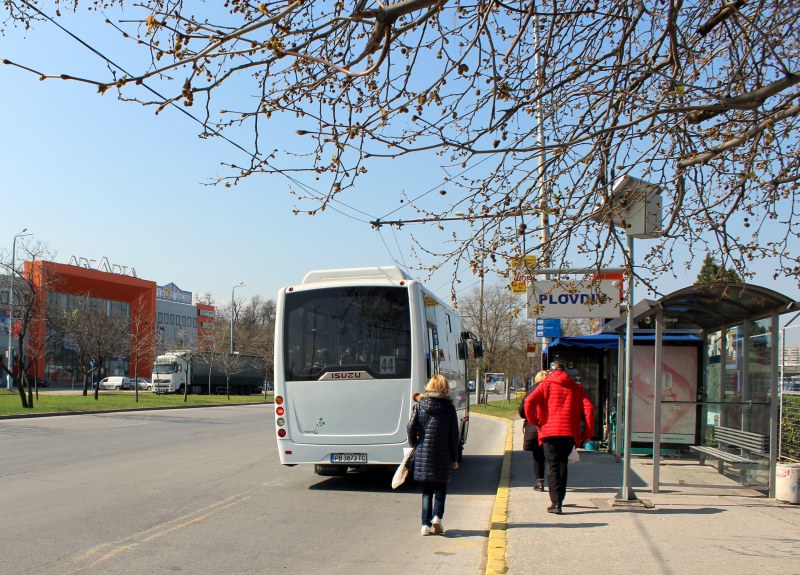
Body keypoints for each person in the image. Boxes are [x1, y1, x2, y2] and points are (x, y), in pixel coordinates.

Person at [524, 360, 595, 514]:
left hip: (549, 432)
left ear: (550, 371)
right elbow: (589, 408)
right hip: (569, 433)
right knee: (563, 464)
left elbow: (528, 401)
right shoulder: (576, 388)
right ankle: (559, 502)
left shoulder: (545, 385)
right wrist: (587, 433)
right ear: (565, 372)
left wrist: (534, 422)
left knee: (552, 465)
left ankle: (555, 503)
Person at [407, 374, 460, 536]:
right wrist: (455, 458)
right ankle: (437, 516)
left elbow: (410, 427)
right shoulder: (449, 408)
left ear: (429, 386)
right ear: (445, 388)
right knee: (441, 487)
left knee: (426, 491)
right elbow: (454, 435)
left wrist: (414, 443)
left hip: (424, 450)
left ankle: (425, 525)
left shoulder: (420, 405)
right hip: (442, 452)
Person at [518, 370, 549, 492]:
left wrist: (531, 419)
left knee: (538, 456)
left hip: (534, 428)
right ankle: (553, 481)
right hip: (550, 426)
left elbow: (522, 410)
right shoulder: (551, 389)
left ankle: (540, 482)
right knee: (552, 456)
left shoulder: (532, 390)